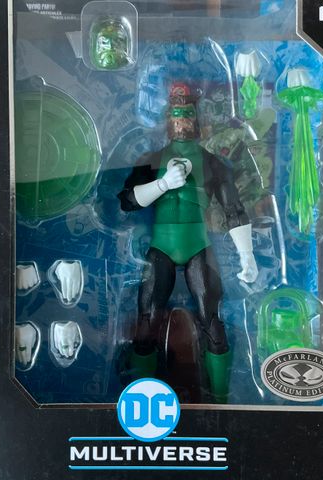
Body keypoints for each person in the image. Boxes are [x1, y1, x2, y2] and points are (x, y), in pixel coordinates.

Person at [118, 83, 258, 402]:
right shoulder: (152, 159)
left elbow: (234, 209)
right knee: (146, 321)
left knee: (212, 320)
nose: (182, 121)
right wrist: (162, 184)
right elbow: (127, 201)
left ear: (197, 119)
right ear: (168, 119)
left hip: (198, 247)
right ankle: (140, 398)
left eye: (187, 114)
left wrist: (247, 255)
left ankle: (221, 399)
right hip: (161, 248)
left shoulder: (212, 163)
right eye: (176, 114)